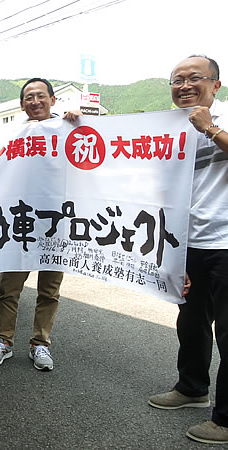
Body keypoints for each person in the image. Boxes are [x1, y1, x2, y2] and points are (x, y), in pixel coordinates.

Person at [147, 55, 228, 445]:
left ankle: (226, 420)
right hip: (189, 241)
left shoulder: (221, 118)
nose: (184, 85)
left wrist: (210, 129)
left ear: (215, 84)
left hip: (226, 243)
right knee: (191, 322)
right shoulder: (169, 131)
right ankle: (192, 388)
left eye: (194, 78)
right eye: (176, 80)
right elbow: (165, 192)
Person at [0, 78, 81, 371]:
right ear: (22, 104)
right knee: (8, 289)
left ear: (52, 99)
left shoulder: (68, 129)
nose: (35, 101)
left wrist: (77, 122)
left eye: (40, 96)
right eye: (29, 97)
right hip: (18, 224)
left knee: (49, 291)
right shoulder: (11, 133)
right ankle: (3, 341)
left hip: (56, 223)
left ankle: (40, 344)